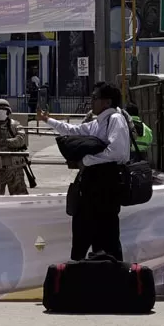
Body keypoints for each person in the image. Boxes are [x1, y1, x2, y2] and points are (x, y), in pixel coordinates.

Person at [39, 81, 132, 261]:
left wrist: (87, 160)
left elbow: (118, 151)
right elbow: (74, 130)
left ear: (107, 102)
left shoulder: (115, 120)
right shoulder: (98, 122)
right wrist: (48, 120)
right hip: (91, 185)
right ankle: (80, 273)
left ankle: (113, 278)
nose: (92, 101)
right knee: (82, 232)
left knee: (108, 236)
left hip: (107, 185)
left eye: (95, 98)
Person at [0, 98, 29, 196]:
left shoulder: (15, 125)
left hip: (15, 168)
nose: (0, 113)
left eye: (3, 111)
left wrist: (3, 141)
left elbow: (21, 140)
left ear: (8, 112)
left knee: (20, 196)